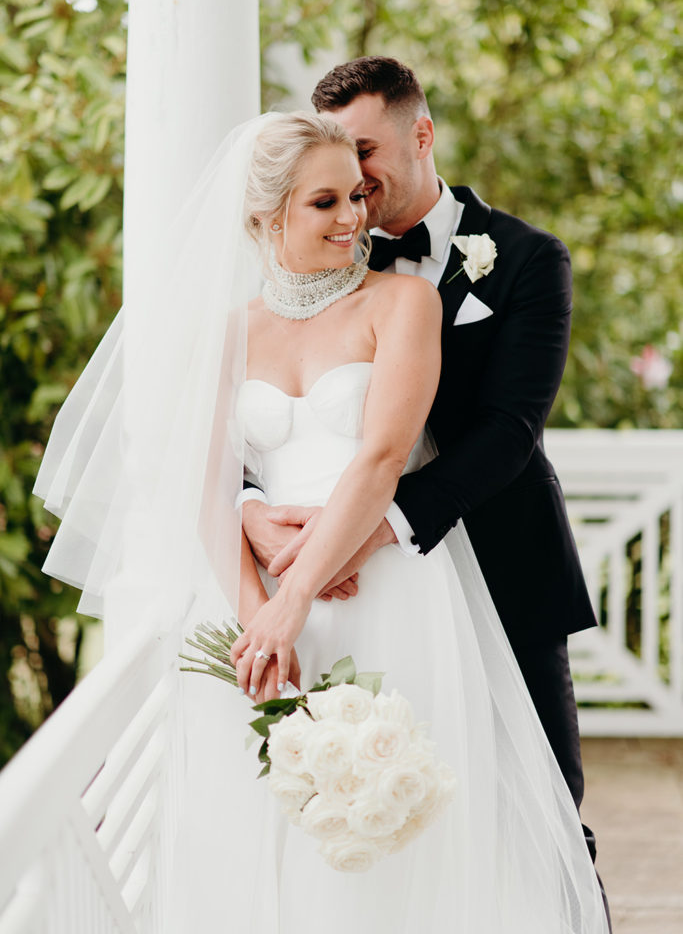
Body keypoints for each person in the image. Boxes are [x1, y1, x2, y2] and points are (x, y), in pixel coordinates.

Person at [34, 110, 607, 933]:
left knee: (406, 819)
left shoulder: (403, 302)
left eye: (355, 196)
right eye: (325, 202)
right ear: (267, 219)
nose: (353, 217)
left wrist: (298, 591)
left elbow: (381, 457)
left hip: (387, 585)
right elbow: (204, 486)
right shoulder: (229, 333)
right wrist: (255, 619)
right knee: (262, 826)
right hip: (260, 605)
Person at [240, 59, 607, 914]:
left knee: (544, 818)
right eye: (335, 158)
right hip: (343, 588)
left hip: (499, 566)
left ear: (422, 134)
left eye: (364, 151)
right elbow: (254, 423)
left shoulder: (524, 258)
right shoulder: (316, 252)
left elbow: (508, 430)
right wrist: (250, 512)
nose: (352, 176)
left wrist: (366, 531)